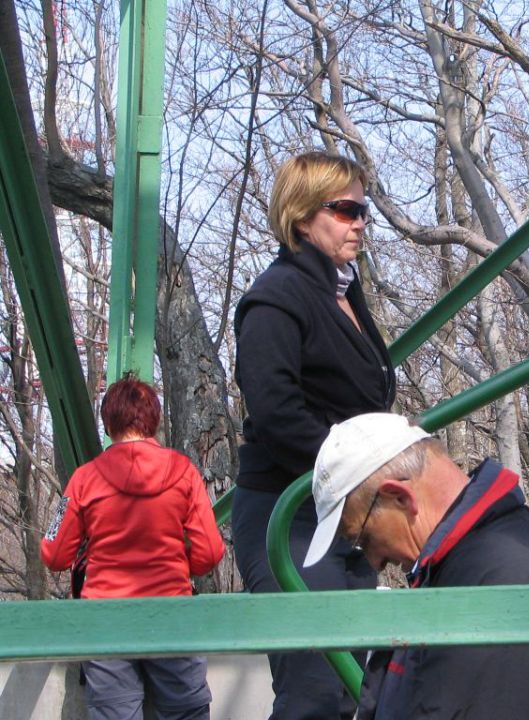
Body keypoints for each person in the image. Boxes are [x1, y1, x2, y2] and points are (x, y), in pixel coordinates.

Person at [304, 412, 529, 720]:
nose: (374, 562)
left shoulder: (500, 573)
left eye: (363, 539)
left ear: (399, 498)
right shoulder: (462, 565)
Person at [233, 152, 395, 719]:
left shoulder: (344, 292)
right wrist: (365, 468)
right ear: (303, 217)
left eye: (364, 210)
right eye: (347, 209)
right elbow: (277, 415)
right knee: (315, 694)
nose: (360, 222)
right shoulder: (275, 298)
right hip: (290, 515)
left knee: (358, 690)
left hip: (342, 517)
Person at [41, 374, 225, 720]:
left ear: (109, 422)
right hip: (172, 615)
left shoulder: (84, 478)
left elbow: (53, 553)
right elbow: (210, 553)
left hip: (106, 620)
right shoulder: (183, 472)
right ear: (153, 419)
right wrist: (176, 563)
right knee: (186, 711)